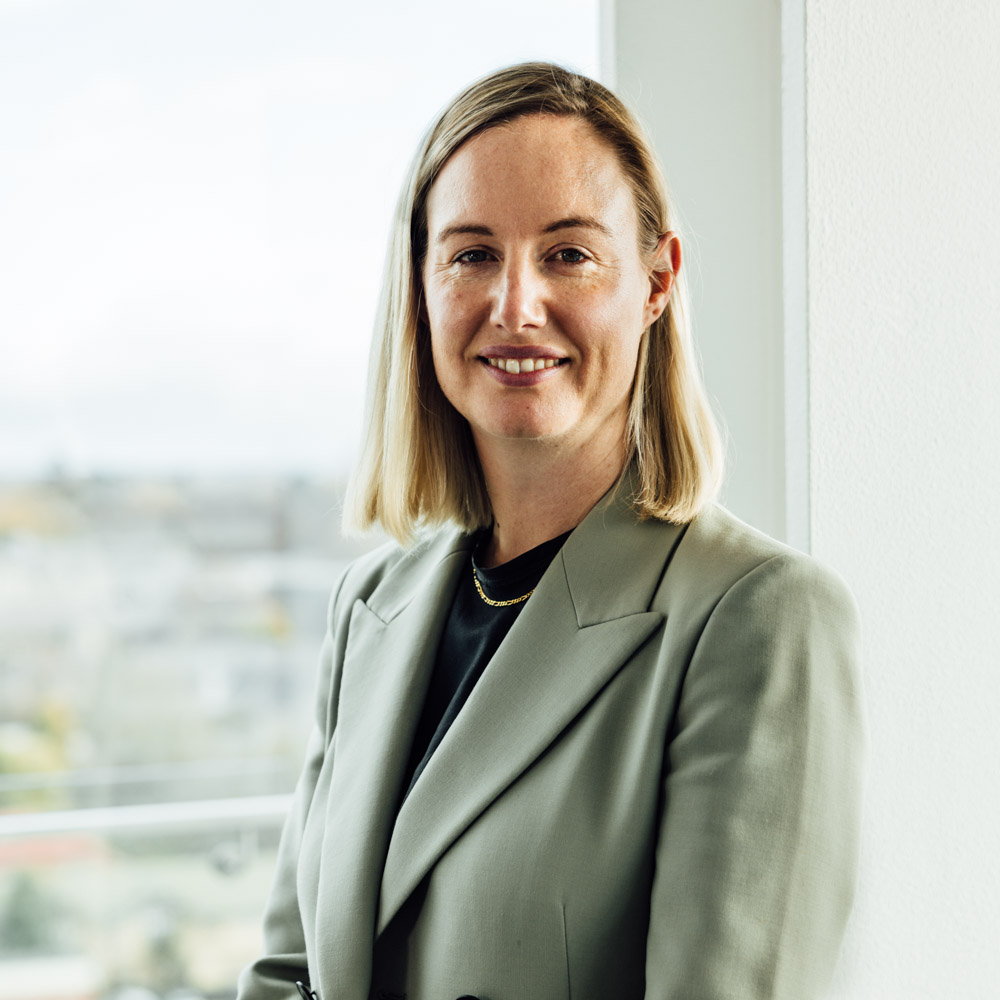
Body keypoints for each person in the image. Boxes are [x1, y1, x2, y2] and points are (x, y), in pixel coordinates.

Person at [237, 62, 864, 1000]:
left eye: (568, 254)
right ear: (420, 286)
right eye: (471, 255)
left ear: (656, 282)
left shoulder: (758, 620)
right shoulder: (369, 606)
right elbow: (288, 974)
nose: (516, 306)